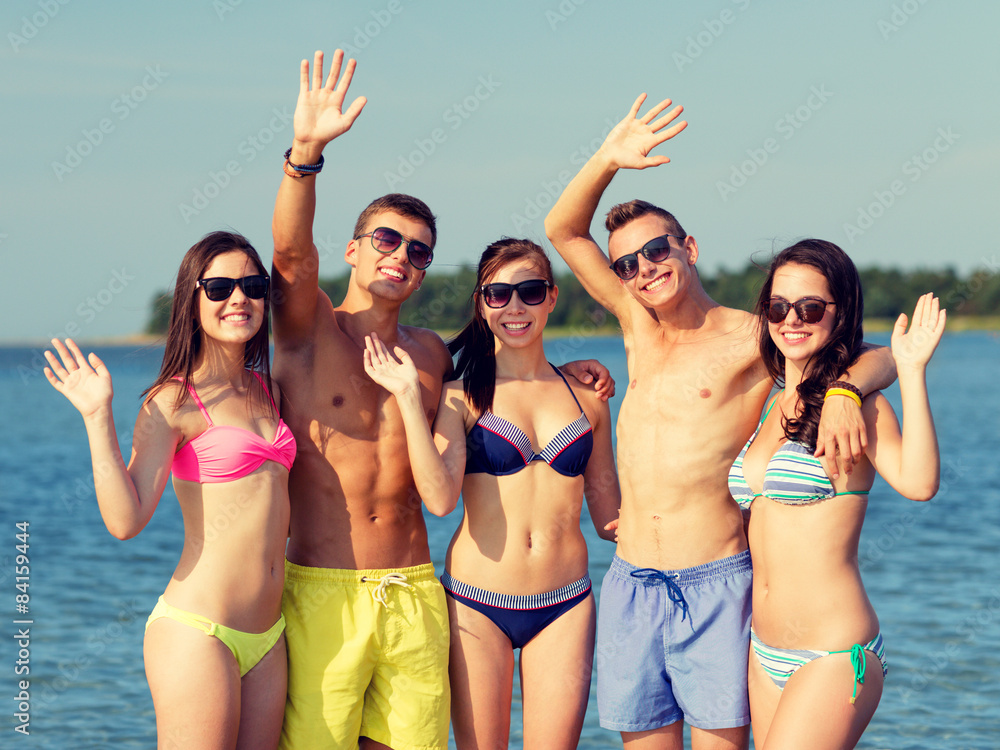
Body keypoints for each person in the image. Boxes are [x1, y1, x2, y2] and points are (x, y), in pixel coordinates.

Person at [272, 50, 613, 750]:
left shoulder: (432, 358)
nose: (401, 255)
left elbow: (508, 358)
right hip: (324, 588)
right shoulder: (310, 334)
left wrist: (582, 373)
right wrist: (304, 157)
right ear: (356, 249)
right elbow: (289, 256)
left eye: (419, 250)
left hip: (418, 588)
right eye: (386, 240)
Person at [544, 95, 897, 750]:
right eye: (627, 263)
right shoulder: (635, 326)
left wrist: (846, 391)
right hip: (631, 581)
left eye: (655, 251)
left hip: (715, 583)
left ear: (690, 247)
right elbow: (564, 230)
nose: (643, 270)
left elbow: (878, 352)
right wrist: (607, 159)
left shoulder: (754, 336)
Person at [363, 238, 621, 749]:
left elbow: (611, 516)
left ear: (551, 297)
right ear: (482, 304)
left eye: (528, 291)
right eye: (498, 294)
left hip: (565, 603)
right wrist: (412, 399)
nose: (514, 307)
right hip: (476, 604)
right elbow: (438, 499)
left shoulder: (588, 398)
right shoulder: (462, 396)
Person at [43, 231, 293, 750]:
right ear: (192, 299)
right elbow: (125, 521)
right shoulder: (173, 399)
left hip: (269, 637)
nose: (238, 298)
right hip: (200, 630)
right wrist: (97, 417)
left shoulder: (273, 390)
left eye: (251, 285)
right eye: (220, 287)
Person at [730, 240, 943, 749]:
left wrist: (911, 373)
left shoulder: (860, 407)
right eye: (778, 307)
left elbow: (919, 483)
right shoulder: (767, 404)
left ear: (839, 312)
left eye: (810, 307)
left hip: (833, 652)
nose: (791, 320)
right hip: (764, 651)